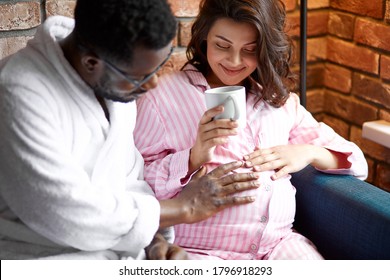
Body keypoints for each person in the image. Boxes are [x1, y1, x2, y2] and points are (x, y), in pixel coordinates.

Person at [0, 0, 261, 260]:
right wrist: (184, 207)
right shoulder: (17, 92)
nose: (154, 83)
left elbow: (129, 179)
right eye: (141, 77)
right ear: (92, 63)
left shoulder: (113, 81)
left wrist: (155, 242)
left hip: (120, 253)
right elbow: (61, 211)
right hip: (41, 258)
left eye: (159, 67)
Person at [134, 0, 368, 260]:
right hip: (199, 252)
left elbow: (356, 162)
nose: (235, 61)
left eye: (250, 50)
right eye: (222, 46)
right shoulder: (162, 95)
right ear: (203, 39)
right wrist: (191, 158)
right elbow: (133, 183)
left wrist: (308, 152)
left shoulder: (277, 100)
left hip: (279, 246)